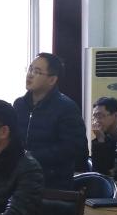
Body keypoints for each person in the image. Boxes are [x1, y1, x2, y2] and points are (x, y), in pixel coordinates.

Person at [12, 53, 88, 189]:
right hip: (21, 179)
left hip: (53, 184)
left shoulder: (67, 108)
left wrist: (31, 156)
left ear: (52, 80)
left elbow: (73, 148)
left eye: (37, 72)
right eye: (30, 69)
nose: (30, 75)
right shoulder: (19, 105)